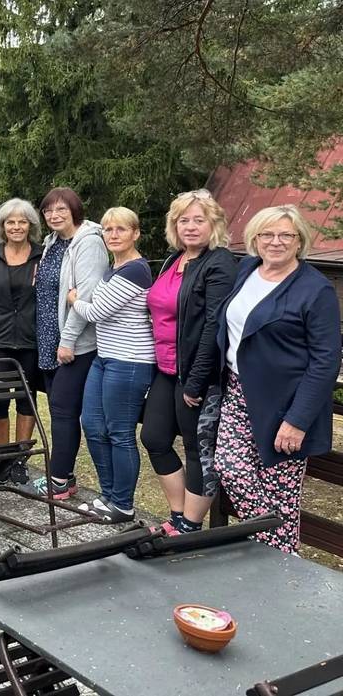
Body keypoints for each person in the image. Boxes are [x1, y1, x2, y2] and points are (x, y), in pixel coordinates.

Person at [215, 205, 340, 553]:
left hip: (285, 404)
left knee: (279, 490)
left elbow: (326, 360)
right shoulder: (247, 269)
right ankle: (274, 546)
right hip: (238, 393)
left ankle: (278, 562)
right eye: (267, 234)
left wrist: (297, 420)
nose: (276, 242)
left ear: (299, 240)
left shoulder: (315, 290)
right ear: (255, 238)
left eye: (286, 235)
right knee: (231, 469)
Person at [141, 190, 236, 534]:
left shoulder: (219, 262)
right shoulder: (173, 260)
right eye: (184, 220)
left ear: (214, 224)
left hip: (196, 374)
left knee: (198, 449)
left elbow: (214, 324)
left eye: (200, 220)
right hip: (165, 370)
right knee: (154, 438)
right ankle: (178, 514)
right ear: (174, 225)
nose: (191, 227)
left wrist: (196, 380)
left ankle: (190, 525)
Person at [67, 207, 155, 523]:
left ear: (136, 233)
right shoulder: (113, 268)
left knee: (119, 432)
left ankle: (122, 504)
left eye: (121, 229)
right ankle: (107, 496)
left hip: (130, 362)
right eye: (107, 229)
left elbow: (96, 312)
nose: (113, 235)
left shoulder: (135, 270)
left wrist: (75, 299)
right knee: (91, 424)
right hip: (105, 358)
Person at [29, 187, 107, 500]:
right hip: (49, 337)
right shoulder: (53, 243)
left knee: (63, 409)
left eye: (61, 209)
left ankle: (59, 479)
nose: (54, 215)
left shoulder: (88, 243)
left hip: (75, 343)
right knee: (59, 408)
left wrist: (69, 340)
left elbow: (85, 297)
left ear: (75, 209)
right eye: (48, 211)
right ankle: (65, 475)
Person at [0, 198, 43, 485]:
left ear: (30, 226)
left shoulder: (43, 255)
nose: (16, 227)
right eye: (10, 222)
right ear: (2, 227)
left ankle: (19, 460)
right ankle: (2, 457)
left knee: (27, 399)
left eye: (22, 222)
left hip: (31, 338)